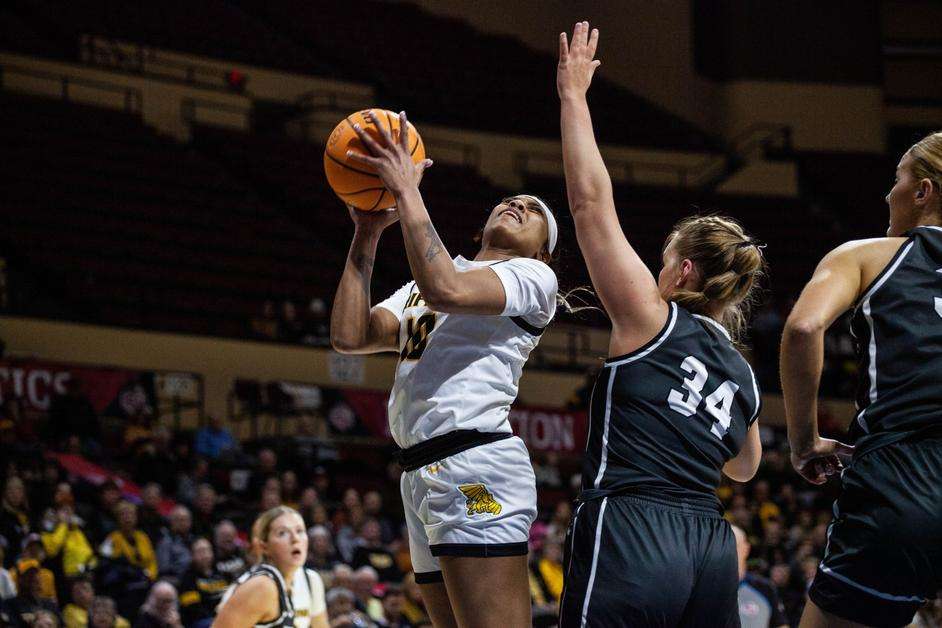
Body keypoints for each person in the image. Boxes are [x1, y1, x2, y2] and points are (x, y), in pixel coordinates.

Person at [555, 22, 765, 626]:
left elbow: (589, 204)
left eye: (664, 261)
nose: (655, 270)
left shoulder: (651, 317)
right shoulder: (742, 373)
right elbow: (743, 467)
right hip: (711, 545)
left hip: (635, 527)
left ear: (683, 272)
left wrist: (574, 96)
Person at [332, 108, 560, 628]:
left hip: (476, 463)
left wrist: (407, 189)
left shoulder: (530, 278)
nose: (516, 204)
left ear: (544, 253)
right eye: (510, 200)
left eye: (532, 209)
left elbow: (448, 291)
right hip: (420, 471)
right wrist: (367, 233)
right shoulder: (425, 279)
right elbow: (350, 336)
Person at [780, 131, 942, 627]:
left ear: (923, 191)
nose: (886, 193)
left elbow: (805, 328)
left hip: (904, 484)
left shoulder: (868, 255)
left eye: (897, 179)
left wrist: (804, 443)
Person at [213, 506, 327, 628]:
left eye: (299, 531)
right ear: (264, 547)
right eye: (282, 533)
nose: (295, 539)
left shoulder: (311, 579)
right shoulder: (261, 586)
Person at [732, 525, 788, 628]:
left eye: (734, 545)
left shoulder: (764, 588)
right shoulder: (705, 588)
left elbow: (781, 625)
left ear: (746, 548)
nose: (728, 551)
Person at [178, 538, 227, 628]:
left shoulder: (221, 573)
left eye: (207, 550)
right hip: (201, 621)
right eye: (200, 551)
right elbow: (192, 609)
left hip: (224, 615)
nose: (205, 555)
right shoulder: (187, 577)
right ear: (192, 555)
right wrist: (218, 617)